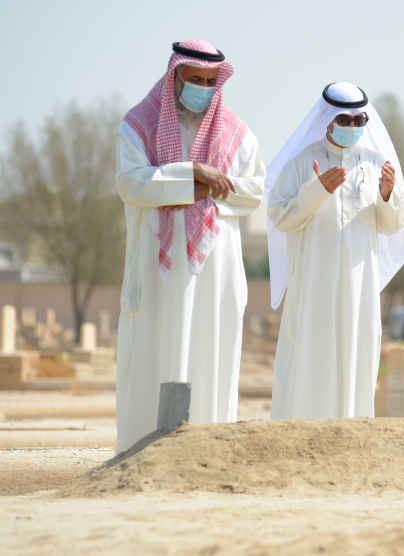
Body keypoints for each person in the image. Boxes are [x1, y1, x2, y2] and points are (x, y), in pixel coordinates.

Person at [114, 39, 265, 453]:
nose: (201, 86)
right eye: (193, 78)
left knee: (209, 349)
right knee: (153, 349)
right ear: (174, 75)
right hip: (156, 266)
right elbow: (129, 182)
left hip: (214, 267)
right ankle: (140, 452)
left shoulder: (236, 132)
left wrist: (197, 187)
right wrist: (193, 174)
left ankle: (208, 453)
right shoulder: (140, 123)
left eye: (208, 81)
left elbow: (253, 192)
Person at [265, 82, 404, 419]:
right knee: (310, 355)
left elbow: (392, 225)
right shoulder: (303, 163)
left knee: (356, 356)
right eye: (345, 120)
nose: (352, 127)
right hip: (314, 286)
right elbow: (279, 217)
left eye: (359, 121)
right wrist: (314, 192)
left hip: (359, 289)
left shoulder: (378, 165)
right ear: (328, 119)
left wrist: (388, 196)